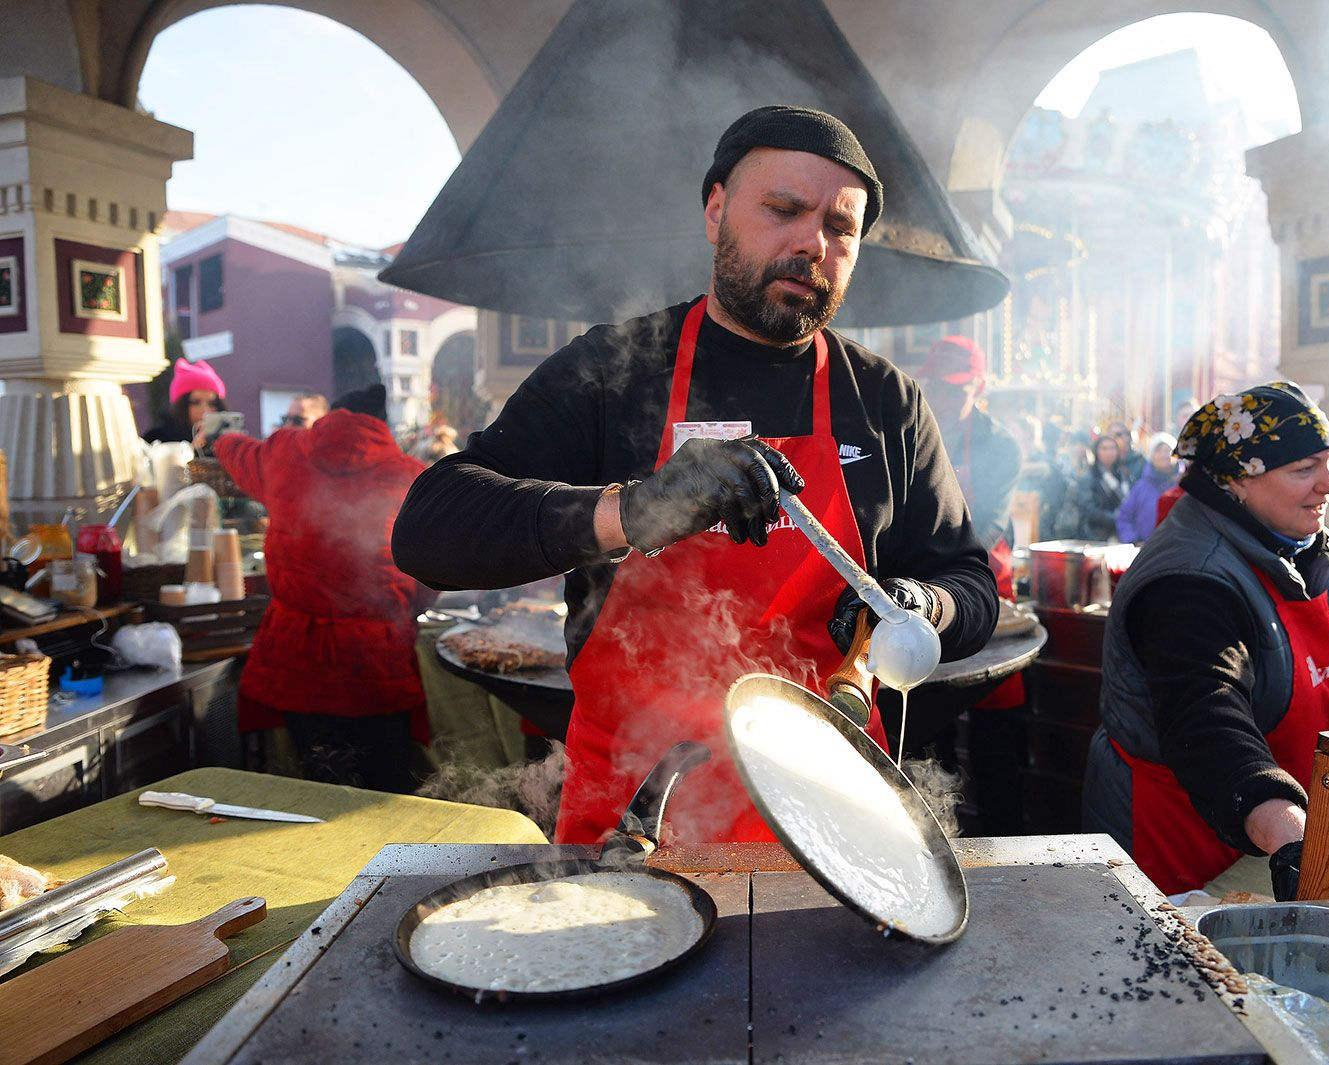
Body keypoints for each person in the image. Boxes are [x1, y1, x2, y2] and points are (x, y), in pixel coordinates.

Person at [391, 105, 998, 844]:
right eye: (783, 208)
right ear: (715, 212)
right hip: (630, 810)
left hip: (822, 816)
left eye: (841, 229)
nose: (813, 242)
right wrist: (631, 511)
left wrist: (915, 605)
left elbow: (969, 587)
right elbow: (429, 527)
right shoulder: (615, 370)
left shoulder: (883, 400)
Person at [1082, 381, 1329, 898]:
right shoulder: (1188, 579)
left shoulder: (1281, 543)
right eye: (1304, 469)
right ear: (1238, 481)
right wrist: (1289, 836)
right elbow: (1205, 714)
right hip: (1174, 831)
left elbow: (1304, 653)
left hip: (1258, 819)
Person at [203, 383, 437, 793]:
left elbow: (238, 452)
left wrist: (219, 436)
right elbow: (433, 571)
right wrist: (407, 609)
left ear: (330, 418)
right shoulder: (412, 476)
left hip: (299, 661)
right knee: (386, 795)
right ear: (383, 425)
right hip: (378, 664)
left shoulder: (284, 453)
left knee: (319, 788)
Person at [917, 336, 1027, 834]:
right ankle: (935, 833)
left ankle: (1005, 835)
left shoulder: (999, 444)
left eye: (956, 389)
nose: (944, 398)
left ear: (979, 386)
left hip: (988, 601)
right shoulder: (910, 430)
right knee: (927, 727)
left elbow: (989, 528)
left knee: (998, 730)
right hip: (920, 598)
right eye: (937, 386)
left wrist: (949, 576)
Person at [1053, 434, 1128, 541]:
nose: (1109, 452)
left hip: (1119, 533)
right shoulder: (1089, 477)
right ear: (1096, 452)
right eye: (1104, 449)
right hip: (1095, 535)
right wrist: (1116, 519)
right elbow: (1088, 509)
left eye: (1112, 448)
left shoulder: (1122, 476)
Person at [1116, 432, 1181, 544]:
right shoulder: (1141, 487)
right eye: (1158, 451)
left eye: (1167, 450)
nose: (1163, 455)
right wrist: (1133, 540)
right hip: (1145, 551)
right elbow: (1124, 517)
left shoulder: (1184, 486)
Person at [144, 358, 227, 443]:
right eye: (195, 402)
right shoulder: (156, 438)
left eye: (212, 403)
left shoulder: (226, 438)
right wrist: (194, 450)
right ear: (181, 404)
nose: (205, 409)